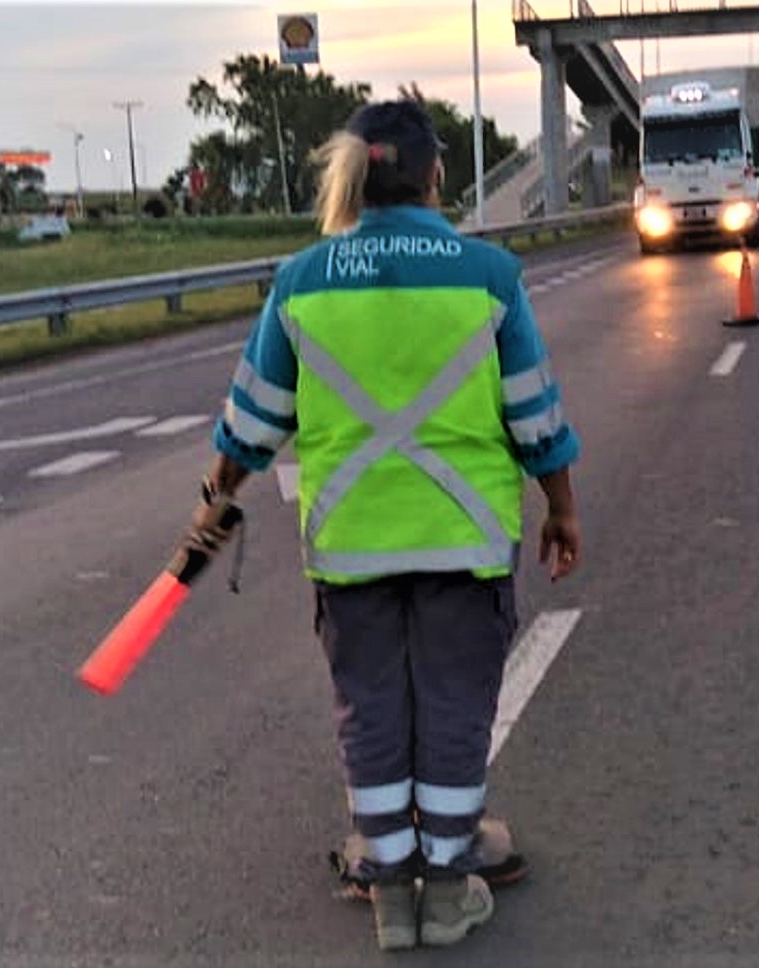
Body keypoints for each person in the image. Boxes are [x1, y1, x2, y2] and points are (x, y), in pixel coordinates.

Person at [192, 100, 582, 951]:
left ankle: (388, 893)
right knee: (452, 704)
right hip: (464, 538)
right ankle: (446, 889)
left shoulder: (301, 280)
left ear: (358, 179)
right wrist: (561, 507)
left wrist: (213, 500)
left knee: (367, 709)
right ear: (435, 175)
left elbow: (251, 422)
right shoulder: (487, 275)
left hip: (351, 544)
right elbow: (534, 415)